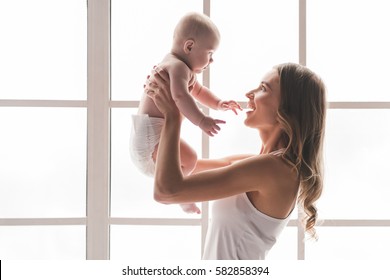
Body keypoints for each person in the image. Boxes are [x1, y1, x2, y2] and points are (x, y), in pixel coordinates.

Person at [146, 62, 327, 260]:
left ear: (288, 108)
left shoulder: (274, 169)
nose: (249, 93)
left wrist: (172, 115)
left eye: (263, 88)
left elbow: (166, 192)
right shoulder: (257, 164)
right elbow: (180, 168)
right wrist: (172, 96)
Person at [130, 12, 241, 214]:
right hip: (150, 140)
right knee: (190, 159)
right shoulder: (177, 67)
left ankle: (177, 190)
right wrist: (201, 121)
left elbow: (197, 91)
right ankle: (180, 195)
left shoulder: (178, 66)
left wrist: (218, 103)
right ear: (189, 46)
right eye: (210, 53)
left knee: (190, 161)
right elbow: (181, 97)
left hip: (146, 138)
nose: (212, 60)